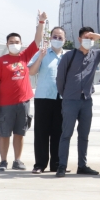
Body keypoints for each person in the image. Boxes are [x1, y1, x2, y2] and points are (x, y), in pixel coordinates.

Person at [55, 26, 100, 177]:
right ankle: (62, 165)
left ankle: (82, 165)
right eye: (85, 38)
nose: (88, 41)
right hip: (70, 100)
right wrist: (67, 95)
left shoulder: (95, 55)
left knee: (84, 135)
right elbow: (60, 79)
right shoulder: (69, 56)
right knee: (66, 133)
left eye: (90, 39)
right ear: (79, 39)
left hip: (86, 101)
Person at [0, 13, 46, 171]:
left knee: (20, 133)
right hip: (5, 104)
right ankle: (3, 161)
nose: (14, 44)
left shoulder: (25, 56)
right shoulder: (1, 61)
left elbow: (37, 39)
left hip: (23, 103)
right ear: (7, 44)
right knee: (4, 133)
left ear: (21, 43)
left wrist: (41, 21)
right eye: (11, 42)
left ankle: (17, 160)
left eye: (17, 42)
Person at [28, 26, 66, 173]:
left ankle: (56, 164)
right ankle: (40, 164)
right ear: (50, 38)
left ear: (65, 40)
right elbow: (31, 72)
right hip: (44, 97)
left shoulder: (67, 56)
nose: (57, 40)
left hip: (61, 98)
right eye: (54, 37)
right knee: (41, 132)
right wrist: (40, 58)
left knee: (58, 132)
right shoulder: (41, 53)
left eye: (60, 37)